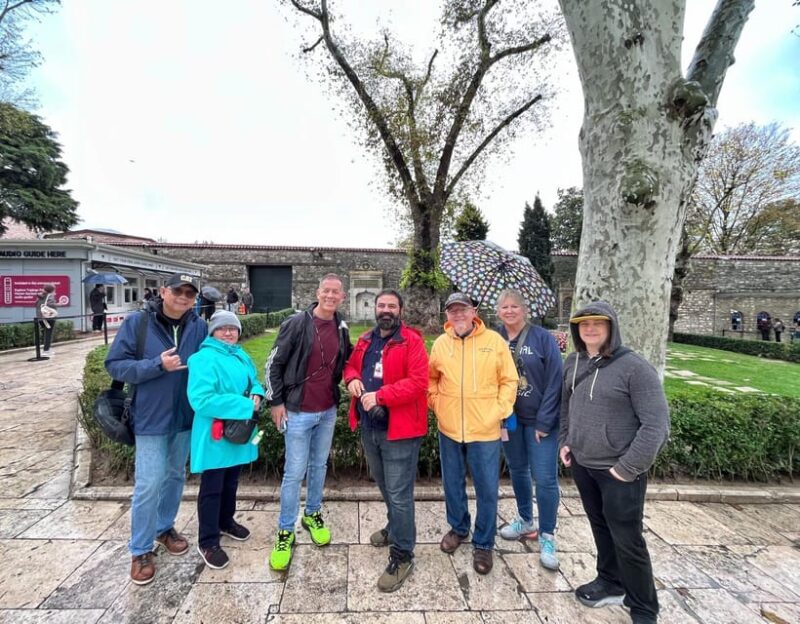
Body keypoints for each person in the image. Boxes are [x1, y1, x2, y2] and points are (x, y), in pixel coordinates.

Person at [559, 301, 670, 624]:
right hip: (584, 464)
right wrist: (566, 441)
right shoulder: (574, 362)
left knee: (628, 538)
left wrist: (627, 467)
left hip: (620, 471)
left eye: (597, 323)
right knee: (601, 528)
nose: (590, 329)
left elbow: (656, 425)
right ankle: (610, 581)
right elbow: (567, 405)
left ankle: (644, 607)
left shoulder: (635, 368)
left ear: (611, 327)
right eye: (583, 324)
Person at [105, 272, 207, 586]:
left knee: (176, 475)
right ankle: (140, 549)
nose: (183, 298)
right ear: (164, 291)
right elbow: (115, 364)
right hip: (150, 417)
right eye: (178, 291)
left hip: (184, 416)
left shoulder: (199, 325)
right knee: (148, 483)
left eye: (189, 294)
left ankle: (164, 528)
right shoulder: (139, 324)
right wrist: (156, 366)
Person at [264, 273, 352, 570]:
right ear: (318, 293)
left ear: (342, 297)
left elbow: (349, 361)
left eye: (335, 292)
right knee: (294, 472)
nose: (330, 296)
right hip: (298, 411)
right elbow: (273, 362)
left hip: (327, 410)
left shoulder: (341, 327)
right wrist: (275, 402)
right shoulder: (296, 323)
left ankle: (312, 513)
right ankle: (285, 530)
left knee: (319, 466)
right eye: (326, 291)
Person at [343, 289, 428, 592]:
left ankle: (403, 554)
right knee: (384, 486)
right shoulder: (366, 339)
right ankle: (394, 527)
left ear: (400, 310)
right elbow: (351, 366)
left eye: (392, 305)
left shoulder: (412, 341)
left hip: (400, 431)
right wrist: (352, 379)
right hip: (370, 427)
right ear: (375, 308)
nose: (386, 310)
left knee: (399, 493)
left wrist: (380, 395)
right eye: (381, 305)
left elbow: (419, 382)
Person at [428, 292, 518, 575]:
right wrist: (437, 404)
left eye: (462, 310)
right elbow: (431, 379)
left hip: (485, 430)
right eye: (452, 311)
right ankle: (458, 528)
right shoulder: (441, 344)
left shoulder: (494, 342)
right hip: (450, 428)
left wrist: (499, 410)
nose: (458, 315)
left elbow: (509, 380)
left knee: (487, 490)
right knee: (452, 484)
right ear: (447, 315)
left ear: (473, 311)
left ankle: (484, 543)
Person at [187, 310, 263, 570]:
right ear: (213, 332)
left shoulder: (241, 355)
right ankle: (207, 540)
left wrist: (257, 393)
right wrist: (245, 405)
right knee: (212, 487)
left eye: (233, 328)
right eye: (223, 328)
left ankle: (226, 521)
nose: (229, 332)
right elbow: (201, 400)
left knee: (231, 481)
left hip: (238, 430)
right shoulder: (202, 359)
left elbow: (255, 381)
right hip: (216, 434)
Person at [495, 289, 563, 571]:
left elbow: (555, 381)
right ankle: (525, 520)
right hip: (509, 419)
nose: (509, 311)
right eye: (504, 307)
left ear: (525, 310)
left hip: (538, 422)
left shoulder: (543, 339)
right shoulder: (493, 338)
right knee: (518, 470)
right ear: (498, 311)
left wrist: (545, 423)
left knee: (545, 478)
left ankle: (547, 535)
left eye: (515, 307)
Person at [34, 283, 57, 358]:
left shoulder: (40, 296)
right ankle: (46, 350)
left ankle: (47, 349)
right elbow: (51, 305)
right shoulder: (50, 296)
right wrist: (57, 304)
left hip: (40, 317)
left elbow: (36, 305)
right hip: (48, 318)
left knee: (45, 333)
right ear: (51, 290)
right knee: (48, 334)